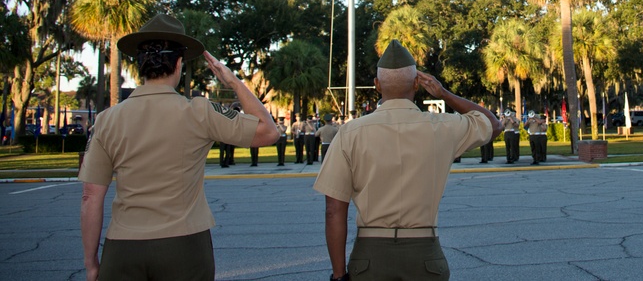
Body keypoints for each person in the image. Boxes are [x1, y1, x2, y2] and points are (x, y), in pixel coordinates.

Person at [79, 14, 279, 281]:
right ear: (178, 63)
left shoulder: (107, 119)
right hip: (184, 244)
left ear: (140, 65)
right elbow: (268, 132)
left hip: (123, 245)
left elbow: (91, 195)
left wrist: (92, 262)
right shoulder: (199, 111)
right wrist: (233, 82)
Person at [314, 40, 500, 281]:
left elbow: (334, 211)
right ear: (416, 83)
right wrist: (443, 93)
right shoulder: (443, 127)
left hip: (370, 257)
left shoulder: (350, 133)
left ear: (377, 85)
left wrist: (339, 275)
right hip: (424, 255)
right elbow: (493, 124)